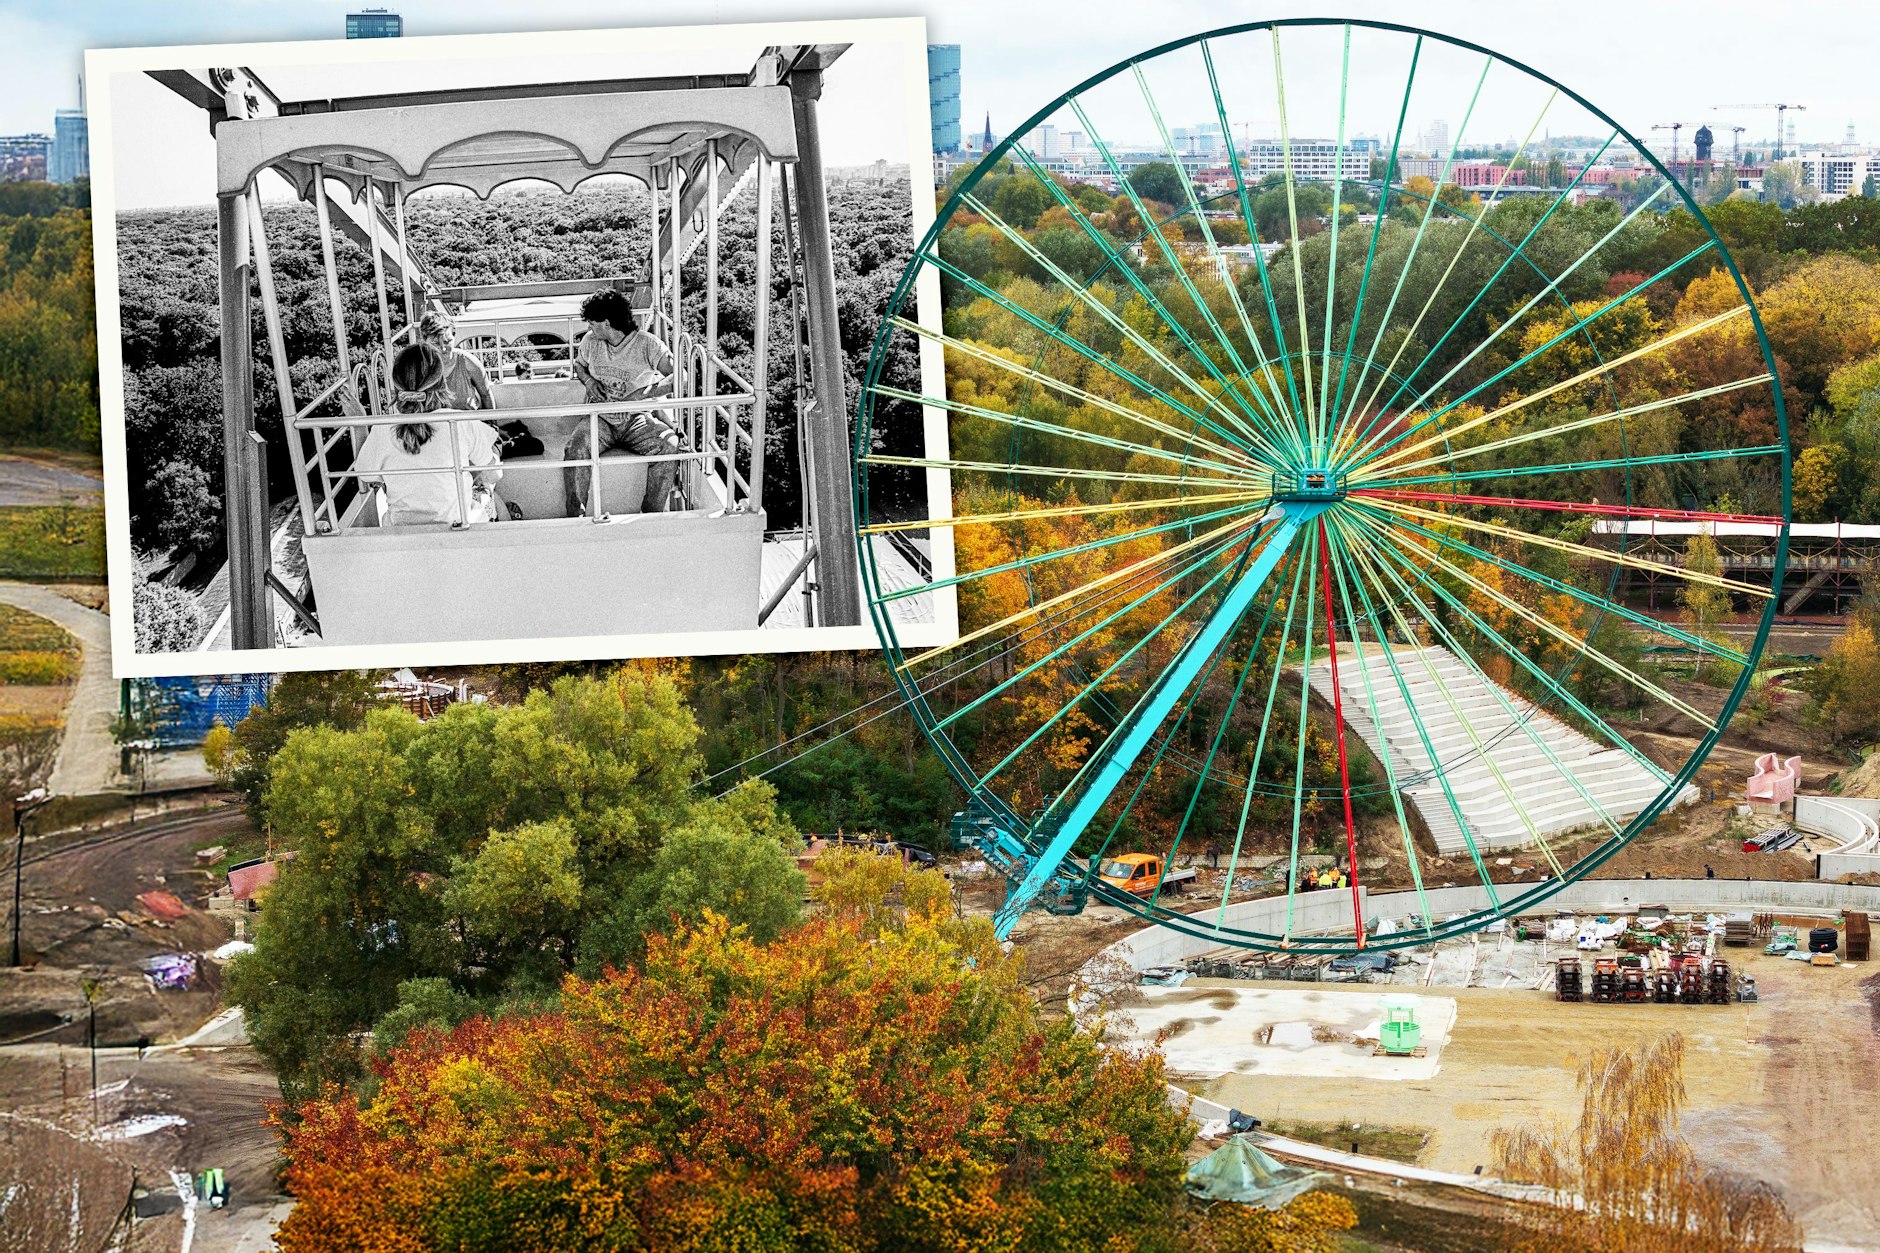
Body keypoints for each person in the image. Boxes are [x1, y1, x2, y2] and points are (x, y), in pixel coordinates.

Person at [563, 288, 687, 517]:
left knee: (669, 447)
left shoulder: (648, 344)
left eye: (591, 322)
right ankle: (576, 516)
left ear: (606, 323)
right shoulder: (590, 342)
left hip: (636, 420)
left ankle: (651, 514)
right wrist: (589, 382)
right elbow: (579, 366)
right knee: (575, 448)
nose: (589, 327)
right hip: (599, 417)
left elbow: (681, 377)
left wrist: (640, 396)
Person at [353, 342, 503, 527]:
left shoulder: (382, 429)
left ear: (397, 384)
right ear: (441, 380)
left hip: (404, 536)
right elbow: (493, 476)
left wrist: (359, 424)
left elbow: (365, 475)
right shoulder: (461, 423)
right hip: (456, 529)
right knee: (489, 499)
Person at [419, 310, 543, 459]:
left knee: (527, 448)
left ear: (454, 335)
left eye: (446, 342)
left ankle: (510, 438)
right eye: (434, 343)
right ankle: (512, 430)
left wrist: (492, 430)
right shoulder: (419, 369)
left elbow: (485, 393)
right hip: (440, 435)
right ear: (424, 340)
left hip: (472, 431)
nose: (442, 349)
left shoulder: (467, 362)